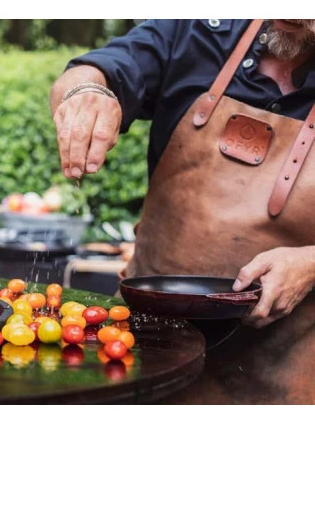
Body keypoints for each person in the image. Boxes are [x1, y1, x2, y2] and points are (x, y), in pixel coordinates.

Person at [50, 20, 315, 329]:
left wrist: (310, 263)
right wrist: (86, 90)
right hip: (145, 333)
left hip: (288, 347)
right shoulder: (195, 29)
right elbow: (103, 67)